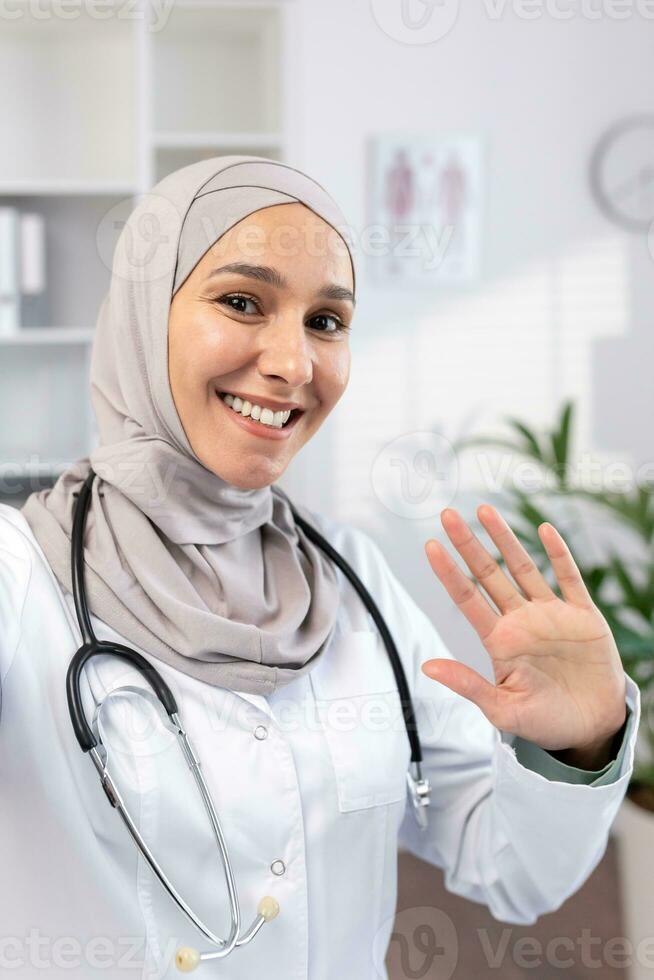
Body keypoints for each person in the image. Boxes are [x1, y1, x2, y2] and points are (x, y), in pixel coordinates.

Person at [0, 156, 640, 980]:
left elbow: (511, 870)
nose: (294, 364)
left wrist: (576, 746)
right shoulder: (24, 577)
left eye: (327, 322)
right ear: (141, 315)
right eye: (241, 302)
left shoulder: (352, 579)